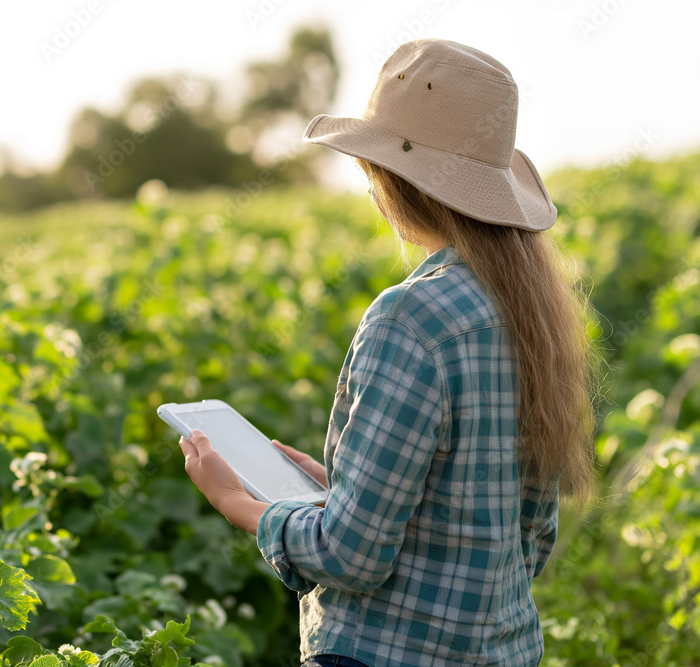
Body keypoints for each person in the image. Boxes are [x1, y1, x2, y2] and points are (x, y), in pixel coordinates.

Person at [177, 38, 602, 666]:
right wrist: (339, 491)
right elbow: (526, 540)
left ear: (393, 185)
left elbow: (351, 557)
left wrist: (243, 503)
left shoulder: (410, 317)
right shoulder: (530, 311)